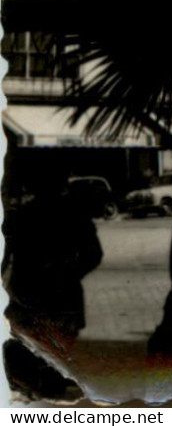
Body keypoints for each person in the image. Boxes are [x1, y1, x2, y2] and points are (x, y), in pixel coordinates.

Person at [3, 165, 103, 399]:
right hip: (62, 295)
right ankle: (50, 387)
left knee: (36, 344)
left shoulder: (23, 216)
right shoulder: (75, 216)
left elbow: (6, 255)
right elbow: (93, 254)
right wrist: (71, 273)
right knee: (59, 346)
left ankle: (43, 388)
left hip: (29, 293)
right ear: (62, 185)